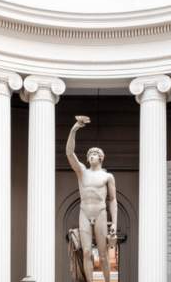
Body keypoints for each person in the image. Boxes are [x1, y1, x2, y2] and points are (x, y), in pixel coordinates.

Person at [66, 116, 117, 282]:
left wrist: (114, 222)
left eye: (95, 153)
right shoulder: (82, 172)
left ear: (101, 158)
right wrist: (74, 129)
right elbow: (69, 153)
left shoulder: (107, 176)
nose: (92, 155)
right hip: (84, 213)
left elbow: (113, 200)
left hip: (101, 213)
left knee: (102, 255)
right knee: (86, 252)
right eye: (90, 154)